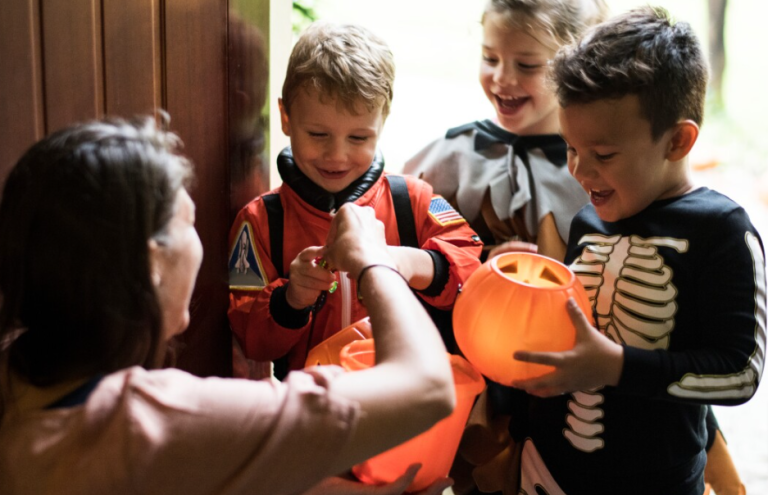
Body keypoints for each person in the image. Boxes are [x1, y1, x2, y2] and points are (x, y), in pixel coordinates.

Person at [0, 116, 457, 495]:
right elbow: (429, 387)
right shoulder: (151, 423)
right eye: (189, 221)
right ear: (152, 261)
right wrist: (375, 262)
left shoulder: (19, 378)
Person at [506, 7, 765, 494]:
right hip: (549, 470)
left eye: (603, 155)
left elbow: (740, 373)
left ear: (678, 141)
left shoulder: (722, 231)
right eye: (571, 148)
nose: (580, 173)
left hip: (656, 481)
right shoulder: (587, 221)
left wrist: (617, 366)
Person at [227, 21, 482, 376]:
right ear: (286, 116)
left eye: (359, 138)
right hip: (315, 410)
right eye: (318, 134)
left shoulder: (412, 200)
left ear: (383, 122)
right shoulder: (261, 221)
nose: (337, 155)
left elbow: (472, 273)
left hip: (403, 403)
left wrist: (397, 262)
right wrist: (292, 300)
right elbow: (248, 338)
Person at [404, 0, 607, 263]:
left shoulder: (598, 170)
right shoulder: (446, 157)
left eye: (527, 65)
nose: (501, 77)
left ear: (577, 65)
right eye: (490, 58)